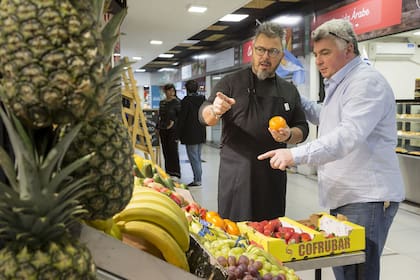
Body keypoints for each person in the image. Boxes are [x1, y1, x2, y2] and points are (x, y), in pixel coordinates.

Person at [258, 19, 405, 280]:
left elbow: (347, 136)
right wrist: (290, 92)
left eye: (325, 52)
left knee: (357, 274)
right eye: (316, 54)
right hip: (346, 196)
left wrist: (294, 154)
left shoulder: (365, 83)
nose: (318, 61)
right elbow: (323, 116)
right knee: (346, 271)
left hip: (366, 198)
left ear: (348, 49)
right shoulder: (341, 83)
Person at [199, 21, 309, 222]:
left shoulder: (288, 90)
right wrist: (215, 111)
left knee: (269, 235)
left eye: (273, 51)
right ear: (252, 51)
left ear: (281, 56)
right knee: (234, 236)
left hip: (272, 177)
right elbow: (204, 114)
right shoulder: (231, 83)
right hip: (236, 177)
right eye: (260, 49)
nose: (265, 56)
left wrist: (289, 134)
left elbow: (302, 127)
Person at [178, 79, 206, 187]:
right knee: (197, 157)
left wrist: (178, 134)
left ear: (186, 89)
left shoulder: (186, 101)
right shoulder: (203, 99)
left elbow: (182, 119)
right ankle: (198, 178)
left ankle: (197, 180)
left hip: (190, 133)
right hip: (200, 131)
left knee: (194, 158)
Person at [157, 83, 181, 179]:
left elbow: (180, 117)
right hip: (163, 129)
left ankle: (176, 172)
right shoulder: (162, 102)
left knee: (173, 150)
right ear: (165, 91)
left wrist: (174, 123)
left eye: (172, 90)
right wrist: (157, 127)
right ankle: (168, 171)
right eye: (169, 90)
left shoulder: (177, 102)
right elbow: (159, 116)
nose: (171, 92)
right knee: (165, 150)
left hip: (173, 130)